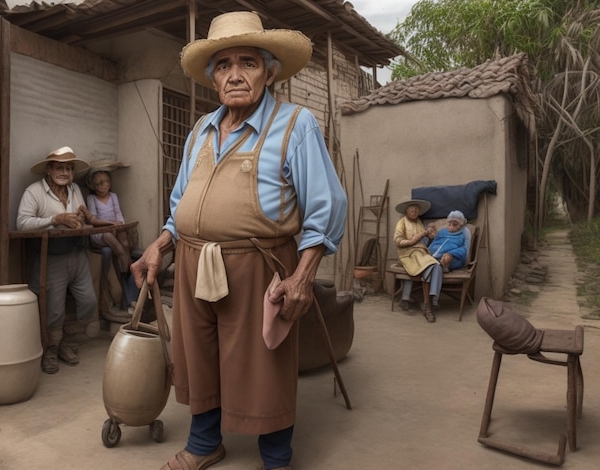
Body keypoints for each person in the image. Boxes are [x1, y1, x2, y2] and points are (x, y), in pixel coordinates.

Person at [130, 11, 347, 470]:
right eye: (223, 65)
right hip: (192, 261)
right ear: (212, 78)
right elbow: (180, 204)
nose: (234, 75)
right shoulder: (201, 131)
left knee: (263, 362)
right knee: (198, 354)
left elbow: (325, 208)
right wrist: (160, 245)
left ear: (269, 71)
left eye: (247, 62)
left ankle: (276, 457)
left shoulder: (295, 125)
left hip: (259, 264)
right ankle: (206, 442)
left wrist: (304, 276)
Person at [16, 146, 99, 374]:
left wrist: (80, 219)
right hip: (50, 257)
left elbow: (81, 217)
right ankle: (51, 349)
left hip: (76, 253)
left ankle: (67, 342)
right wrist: (55, 218)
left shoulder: (75, 190)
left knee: (89, 301)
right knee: (53, 310)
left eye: (69, 168)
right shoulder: (34, 192)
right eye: (60, 168)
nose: (65, 172)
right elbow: (22, 223)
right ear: (49, 171)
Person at [85, 163, 137, 309]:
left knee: (123, 239)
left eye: (107, 182)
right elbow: (93, 220)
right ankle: (126, 270)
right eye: (100, 183)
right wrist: (110, 224)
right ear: (94, 185)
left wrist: (119, 224)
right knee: (112, 240)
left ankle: (125, 268)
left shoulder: (113, 196)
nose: (104, 186)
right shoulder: (91, 198)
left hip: (114, 227)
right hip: (99, 233)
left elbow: (118, 213)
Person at [393, 198, 441, 323]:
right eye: (411, 211)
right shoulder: (402, 222)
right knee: (429, 264)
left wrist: (430, 236)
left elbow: (424, 241)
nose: (414, 213)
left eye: (416, 211)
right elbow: (398, 240)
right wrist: (410, 242)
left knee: (435, 265)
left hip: (420, 252)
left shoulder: (419, 222)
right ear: (407, 212)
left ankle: (432, 298)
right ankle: (427, 306)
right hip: (407, 253)